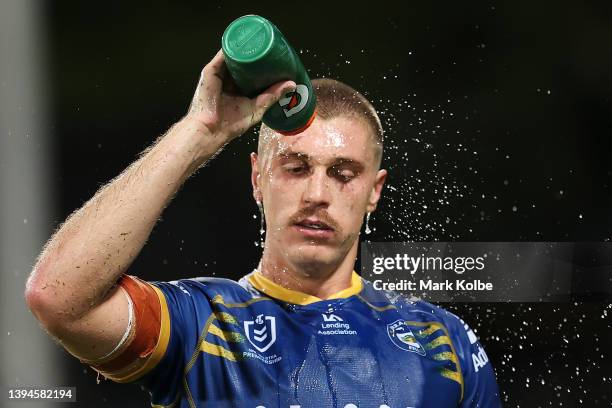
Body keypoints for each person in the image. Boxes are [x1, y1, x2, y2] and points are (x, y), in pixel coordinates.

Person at [25, 49, 502, 407]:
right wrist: (200, 131)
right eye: (296, 167)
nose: (317, 193)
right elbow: (57, 293)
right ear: (258, 177)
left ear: (374, 191)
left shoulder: (444, 341)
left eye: (342, 173)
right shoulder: (202, 324)